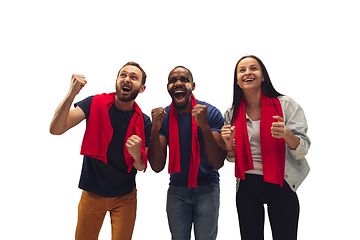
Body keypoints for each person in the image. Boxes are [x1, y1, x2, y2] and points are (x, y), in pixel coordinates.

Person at [49, 62, 151, 240]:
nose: (127, 79)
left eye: (133, 77)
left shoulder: (144, 121)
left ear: (141, 88)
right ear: (116, 81)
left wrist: (136, 153)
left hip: (125, 197)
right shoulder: (94, 103)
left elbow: (141, 165)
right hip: (92, 193)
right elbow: (56, 129)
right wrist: (71, 94)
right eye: (123, 75)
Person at [221, 55, 310, 240]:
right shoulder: (231, 113)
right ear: (237, 81)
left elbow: (303, 149)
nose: (248, 72)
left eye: (253, 68)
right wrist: (229, 145)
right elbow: (232, 158)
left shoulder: (285, 105)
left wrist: (286, 134)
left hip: (281, 182)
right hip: (247, 185)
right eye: (242, 70)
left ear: (263, 76)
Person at [148, 66, 226, 240]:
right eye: (173, 80)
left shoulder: (210, 113)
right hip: (177, 189)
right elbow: (157, 166)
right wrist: (155, 129)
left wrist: (204, 126)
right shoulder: (163, 117)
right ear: (167, 87)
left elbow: (218, 163)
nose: (178, 83)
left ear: (193, 85)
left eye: (184, 79)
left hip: (207, 187)